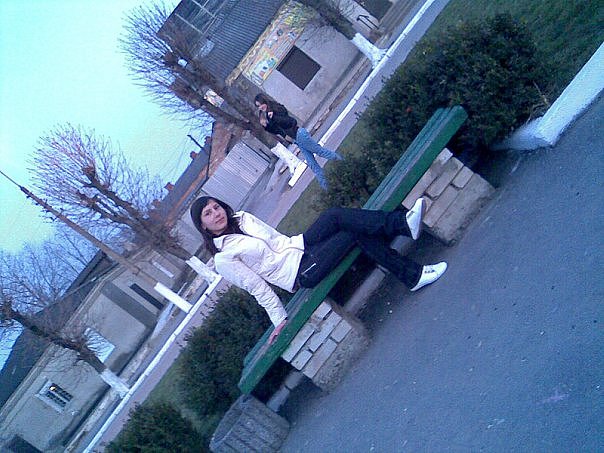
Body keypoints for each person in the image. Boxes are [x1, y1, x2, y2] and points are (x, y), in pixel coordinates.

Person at [190, 196, 447, 343]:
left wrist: (301, 243)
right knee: (352, 234)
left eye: (216, 207)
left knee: (334, 215)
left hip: (300, 246)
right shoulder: (223, 258)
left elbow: (277, 239)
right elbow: (257, 287)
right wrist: (279, 319)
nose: (216, 213)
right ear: (203, 226)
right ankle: (410, 260)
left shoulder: (243, 218)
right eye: (207, 214)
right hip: (299, 272)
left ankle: (406, 233)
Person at [254, 93, 343, 190]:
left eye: (260, 105)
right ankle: (327, 188)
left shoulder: (276, 109)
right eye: (258, 106)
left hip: (299, 134)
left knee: (320, 151)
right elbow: (277, 130)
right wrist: (266, 126)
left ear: (264, 101)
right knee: (312, 164)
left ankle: (343, 162)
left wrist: (274, 117)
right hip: (296, 140)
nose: (260, 107)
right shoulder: (268, 115)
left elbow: (290, 122)